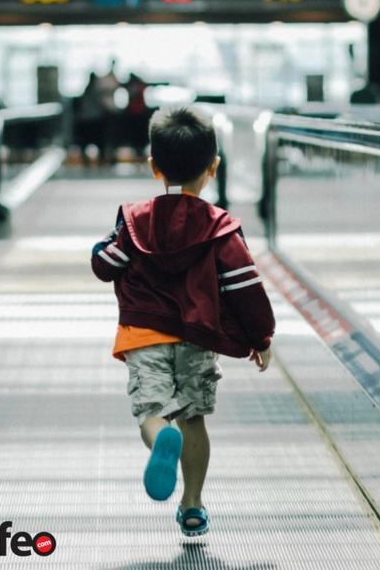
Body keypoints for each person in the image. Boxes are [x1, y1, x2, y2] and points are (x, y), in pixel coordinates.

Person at [91, 107, 275, 537]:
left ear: (154, 166)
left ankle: (160, 439)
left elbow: (105, 266)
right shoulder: (221, 228)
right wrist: (260, 338)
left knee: (152, 413)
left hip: (143, 334)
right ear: (213, 168)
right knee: (194, 419)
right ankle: (192, 505)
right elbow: (245, 287)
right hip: (197, 334)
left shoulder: (135, 221)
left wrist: (103, 243)